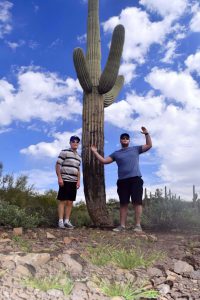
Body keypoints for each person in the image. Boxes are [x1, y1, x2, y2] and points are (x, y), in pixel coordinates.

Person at [91, 126, 152, 232]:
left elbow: (149, 145)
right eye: (123, 138)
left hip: (135, 179)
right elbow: (104, 161)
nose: (125, 140)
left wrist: (146, 134)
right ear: (120, 140)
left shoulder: (135, 149)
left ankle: (137, 226)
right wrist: (95, 152)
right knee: (123, 203)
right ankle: (122, 226)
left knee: (137, 202)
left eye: (126, 138)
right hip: (123, 181)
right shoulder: (116, 153)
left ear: (129, 140)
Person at [56, 135, 81, 229]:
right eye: (73, 141)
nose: (75, 143)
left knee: (70, 202)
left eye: (77, 141)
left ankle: (67, 221)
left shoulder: (79, 156)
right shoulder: (64, 152)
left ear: (78, 143)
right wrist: (59, 177)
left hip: (74, 181)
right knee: (62, 200)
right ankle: (60, 221)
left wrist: (78, 181)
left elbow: (78, 169)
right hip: (65, 179)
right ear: (70, 143)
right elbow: (58, 165)